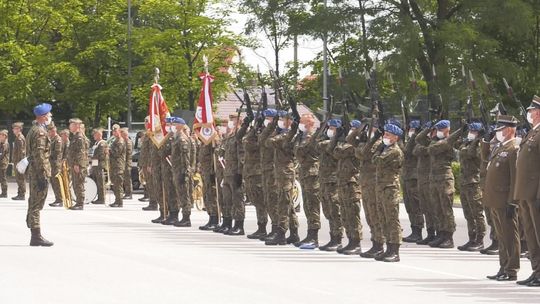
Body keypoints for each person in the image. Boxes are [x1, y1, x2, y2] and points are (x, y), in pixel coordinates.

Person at [483, 115, 520, 282]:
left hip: (505, 200)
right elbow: (485, 159)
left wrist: (512, 201)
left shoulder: (513, 149)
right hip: (495, 199)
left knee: (510, 236)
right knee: (500, 236)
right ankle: (503, 266)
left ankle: (511, 269)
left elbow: (515, 177)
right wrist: (485, 140)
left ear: (510, 129)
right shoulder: (500, 147)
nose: (498, 132)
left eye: (501, 129)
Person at [417, 119, 461, 248]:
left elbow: (438, 147)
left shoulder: (449, 143)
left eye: (440, 130)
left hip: (445, 179)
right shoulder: (435, 140)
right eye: (437, 130)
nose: (438, 132)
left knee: (446, 209)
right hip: (434, 179)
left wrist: (459, 131)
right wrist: (428, 128)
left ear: (447, 130)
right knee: (437, 209)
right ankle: (441, 234)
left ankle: (449, 237)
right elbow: (419, 139)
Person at [514, 96, 540, 287]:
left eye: (531, 111)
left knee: (538, 233)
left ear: (538, 112)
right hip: (525, 193)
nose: (529, 114)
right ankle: (536, 270)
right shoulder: (532, 133)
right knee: (530, 234)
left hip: (535, 193)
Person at [369, 123, 404, 262]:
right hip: (382, 188)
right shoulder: (386, 149)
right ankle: (388, 248)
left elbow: (377, 161)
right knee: (383, 218)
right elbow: (374, 160)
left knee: (392, 219)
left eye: (388, 135)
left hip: (390, 188)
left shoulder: (394, 151)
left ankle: (395, 250)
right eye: (385, 135)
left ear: (395, 138)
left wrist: (378, 149)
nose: (385, 137)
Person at [264, 111, 299, 245]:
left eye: (282, 119)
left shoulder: (288, 135)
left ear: (289, 121)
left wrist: (272, 127)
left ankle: (281, 233)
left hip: (286, 173)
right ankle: (294, 232)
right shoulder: (284, 134)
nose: (280, 121)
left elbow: (268, 142)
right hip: (281, 172)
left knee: (283, 203)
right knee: (287, 203)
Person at [331, 119, 363, 255]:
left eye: (352, 128)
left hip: (351, 183)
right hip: (343, 182)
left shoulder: (354, 146)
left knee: (352, 214)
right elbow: (335, 151)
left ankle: (356, 242)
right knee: (345, 213)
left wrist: (353, 134)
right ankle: (351, 240)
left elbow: (339, 152)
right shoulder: (347, 143)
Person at [26, 103, 54, 246]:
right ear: (43, 116)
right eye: (49, 114)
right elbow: (39, 155)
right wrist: (42, 174)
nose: (50, 116)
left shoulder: (34, 129)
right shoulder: (40, 132)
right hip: (39, 172)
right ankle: (36, 236)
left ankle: (32, 226)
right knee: (37, 204)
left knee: (33, 202)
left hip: (34, 170)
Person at [356, 122, 385, 257]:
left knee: (375, 214)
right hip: (366, 184)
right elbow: (356, 148)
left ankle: (379, 244)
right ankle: (375, 243)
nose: (369, 130)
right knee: (369, 215)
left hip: (374, 184)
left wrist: (373, 139)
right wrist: (361, 130)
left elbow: (364, 154)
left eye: (371, 127)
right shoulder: (367, 141)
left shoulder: (379, 143)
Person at [293, 114, 322, 249]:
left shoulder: (313, 137)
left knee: (313, 205)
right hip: (305, 175)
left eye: (302, 122)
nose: (300, 124)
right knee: (308, 206)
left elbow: (301, 151)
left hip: (312, 175)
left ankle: (314, 237)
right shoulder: (302, 136)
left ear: (310, 124)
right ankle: (310, 235)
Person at [456, 122, 486, 251]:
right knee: (468, 213)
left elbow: (471, 154)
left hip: (474, 183)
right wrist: (460, 130)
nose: (470, 133)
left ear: (479, 134)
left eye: (473, 132)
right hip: (464, 183)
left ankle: (480, 240)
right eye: (470, 131)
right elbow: (456, 145)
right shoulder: (466, 143)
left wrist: (477, 140)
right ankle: (471, 238)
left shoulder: (479, 146)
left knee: (477, 213)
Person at [317, 120, 344, 252]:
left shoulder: (338, 144)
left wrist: (337, 137)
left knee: (335, 210)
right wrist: (322, 129)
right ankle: (333, 237)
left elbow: (330, 149)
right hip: (324, 180)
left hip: (333, 181)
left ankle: (337, 238)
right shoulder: (328, 141)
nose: (330, 130)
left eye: (333, 128)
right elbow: (318, 145)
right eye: (329, 128)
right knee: (328, 210)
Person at [240, 115, 268, 239]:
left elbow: (246, 141)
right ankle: (261, 227)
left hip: (257, 173)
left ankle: (263, 228)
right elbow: (241, 138)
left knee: (261, 202)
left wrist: (256, 129)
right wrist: (253, 127)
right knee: (256, 201)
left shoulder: (260, 138)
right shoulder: (256, 135)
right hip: (251, 173)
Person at [219, 113, 245, 235]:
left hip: (236, 173)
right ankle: (227, 223)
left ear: (238, 121)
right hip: (227, 172)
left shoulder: (240, 135)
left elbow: (242, 156)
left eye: (232, 119)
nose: (230, 122)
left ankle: (239, 225)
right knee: (227, 199)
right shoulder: (229, 136)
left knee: (237, 199)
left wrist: (240, 173)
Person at [258, 109, 280, 241]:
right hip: (265, 170)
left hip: (273, 171)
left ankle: (276, 228)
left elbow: (264, 142)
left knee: (274, 201)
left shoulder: (275, 132)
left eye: (269, 118)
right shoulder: (266, 131)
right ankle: (273, 228)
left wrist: (271, 126)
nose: (267, 120)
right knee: (268, 200)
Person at [402, 120, 424, 243]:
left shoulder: (418, 142)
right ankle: (414, 229)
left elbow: (407, 151)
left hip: (414, 179)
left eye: (413, 129)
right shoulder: (409, 141)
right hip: (406, 177)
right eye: (410, 129)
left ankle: (418, 231)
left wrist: (415, 136)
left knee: (416, 206)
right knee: (409, 206)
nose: (410, 131)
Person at [171, 118, 193, 227]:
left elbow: (185, 157)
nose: (174, 125)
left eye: (175, 123)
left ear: (180, 125)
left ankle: (186, 218)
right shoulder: (177, 137)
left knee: (184, 194)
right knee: (180, 194)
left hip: (182, 170)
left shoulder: (182, 139)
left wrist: (184, 171)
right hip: (177, 169)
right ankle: (183, 217)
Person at [160, 119, 180, 225]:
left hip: (173, 169)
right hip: (167, 169)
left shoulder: (175, 139)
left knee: (173, 193)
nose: (167, 127)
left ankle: (175, 215)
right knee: (169, 192)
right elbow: (162, 153)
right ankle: (170, 214)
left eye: (169, 125)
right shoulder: (168, 138)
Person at [67, 118, 88, 210]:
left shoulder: (79, 137)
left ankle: (80, 203)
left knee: (78, 184)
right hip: (74, 164)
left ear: (77, 126)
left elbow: (80, 152)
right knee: (76, 184)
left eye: (71, 125)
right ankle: (78, 202)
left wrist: (77, 164)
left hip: (78, 165)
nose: (69, 127)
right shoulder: (75, 137)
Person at [108, 125, 126, 207]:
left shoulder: (120, 141)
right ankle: (117, 200)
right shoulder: (115, 141)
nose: (114, 133)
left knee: (118, 184)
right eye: (113, 131)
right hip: (114, 165)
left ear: (119, 131)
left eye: (116, 131)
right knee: (115, 184)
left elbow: (116, 153)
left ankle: (119, 202)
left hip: (118, 166)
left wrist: (109, 150)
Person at [90, 128, 108, 205]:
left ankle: (102, 199)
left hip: (100, 165)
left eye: (95, 134)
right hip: (96, 165)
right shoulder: (96, 143)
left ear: (99, 135)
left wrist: (91, 158)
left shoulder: (102, 144)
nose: (93, 136)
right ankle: (99, 198)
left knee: (101, 183)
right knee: (97, 182)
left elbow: (100, 155)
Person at [47, 123, 64, 207]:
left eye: (50, 132)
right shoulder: (52, 139)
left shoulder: (58, 140)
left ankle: (60, 200)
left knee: (57, 182)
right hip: (51, 164)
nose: (49, 133)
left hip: (56, 164)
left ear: (53, 131)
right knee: (53, 182)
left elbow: (57, 152)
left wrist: (47, 153)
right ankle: (57, 198)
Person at [11, 122, 26, 200]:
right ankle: (20, 193)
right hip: (17, 161)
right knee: (19, 178)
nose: (13, 130)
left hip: (19, 161)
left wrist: (20, 163)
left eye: (15, 128)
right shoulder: (18, 138)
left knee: (20, 178)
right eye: (13, 128)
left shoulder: (20, 138)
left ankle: (21, 194)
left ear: (19, 129)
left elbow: (21, 151)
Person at [121, 128, 133, 200]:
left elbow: (127, 153)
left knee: (127, 178)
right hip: (124, 162)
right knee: (125, 178)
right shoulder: (124, 142)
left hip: (127, 162)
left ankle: (129, 193)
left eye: (122, 134)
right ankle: (127, 192)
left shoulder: (128, 142)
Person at [0, 130, 9, 198]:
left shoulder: (5, 144)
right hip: (1, 162)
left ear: (5, 136)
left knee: (3, 178)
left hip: (3, 163)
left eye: (1, 135)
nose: (0, 136)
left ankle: (4, 193)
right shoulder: (1, 143)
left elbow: (1, 154)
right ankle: (3, 192)